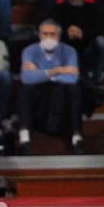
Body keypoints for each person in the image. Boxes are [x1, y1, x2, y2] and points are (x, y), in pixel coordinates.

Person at [18, 20, 84, 153]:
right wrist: (58, 70)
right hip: (38, 92)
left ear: (59, 35)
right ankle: (24, 137)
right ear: (39, 35)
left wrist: (39, 72)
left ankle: (76, 137)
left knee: (74, 89)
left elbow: (72, 78)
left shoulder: (69, 51)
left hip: (61, 93)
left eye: (52, 34)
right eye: (45, 34)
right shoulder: (29, 51)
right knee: (25, 90)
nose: (48, 37)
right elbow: (26, 78)